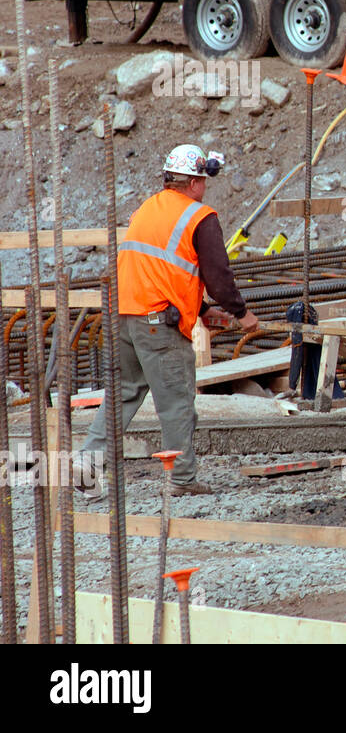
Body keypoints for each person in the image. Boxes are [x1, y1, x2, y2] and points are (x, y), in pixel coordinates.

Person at [75, 144, 258, 497]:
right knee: (175, 403)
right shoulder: (199, 217)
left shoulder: (148, 209)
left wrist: (203, 311)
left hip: (124, 314)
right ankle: (183, 480)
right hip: (158, 323)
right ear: (193, 182)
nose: (205, 187)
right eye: (202, 180)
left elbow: (160, 269)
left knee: (124, 393)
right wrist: (243, 315)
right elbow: (219, 277)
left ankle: (88, 462)